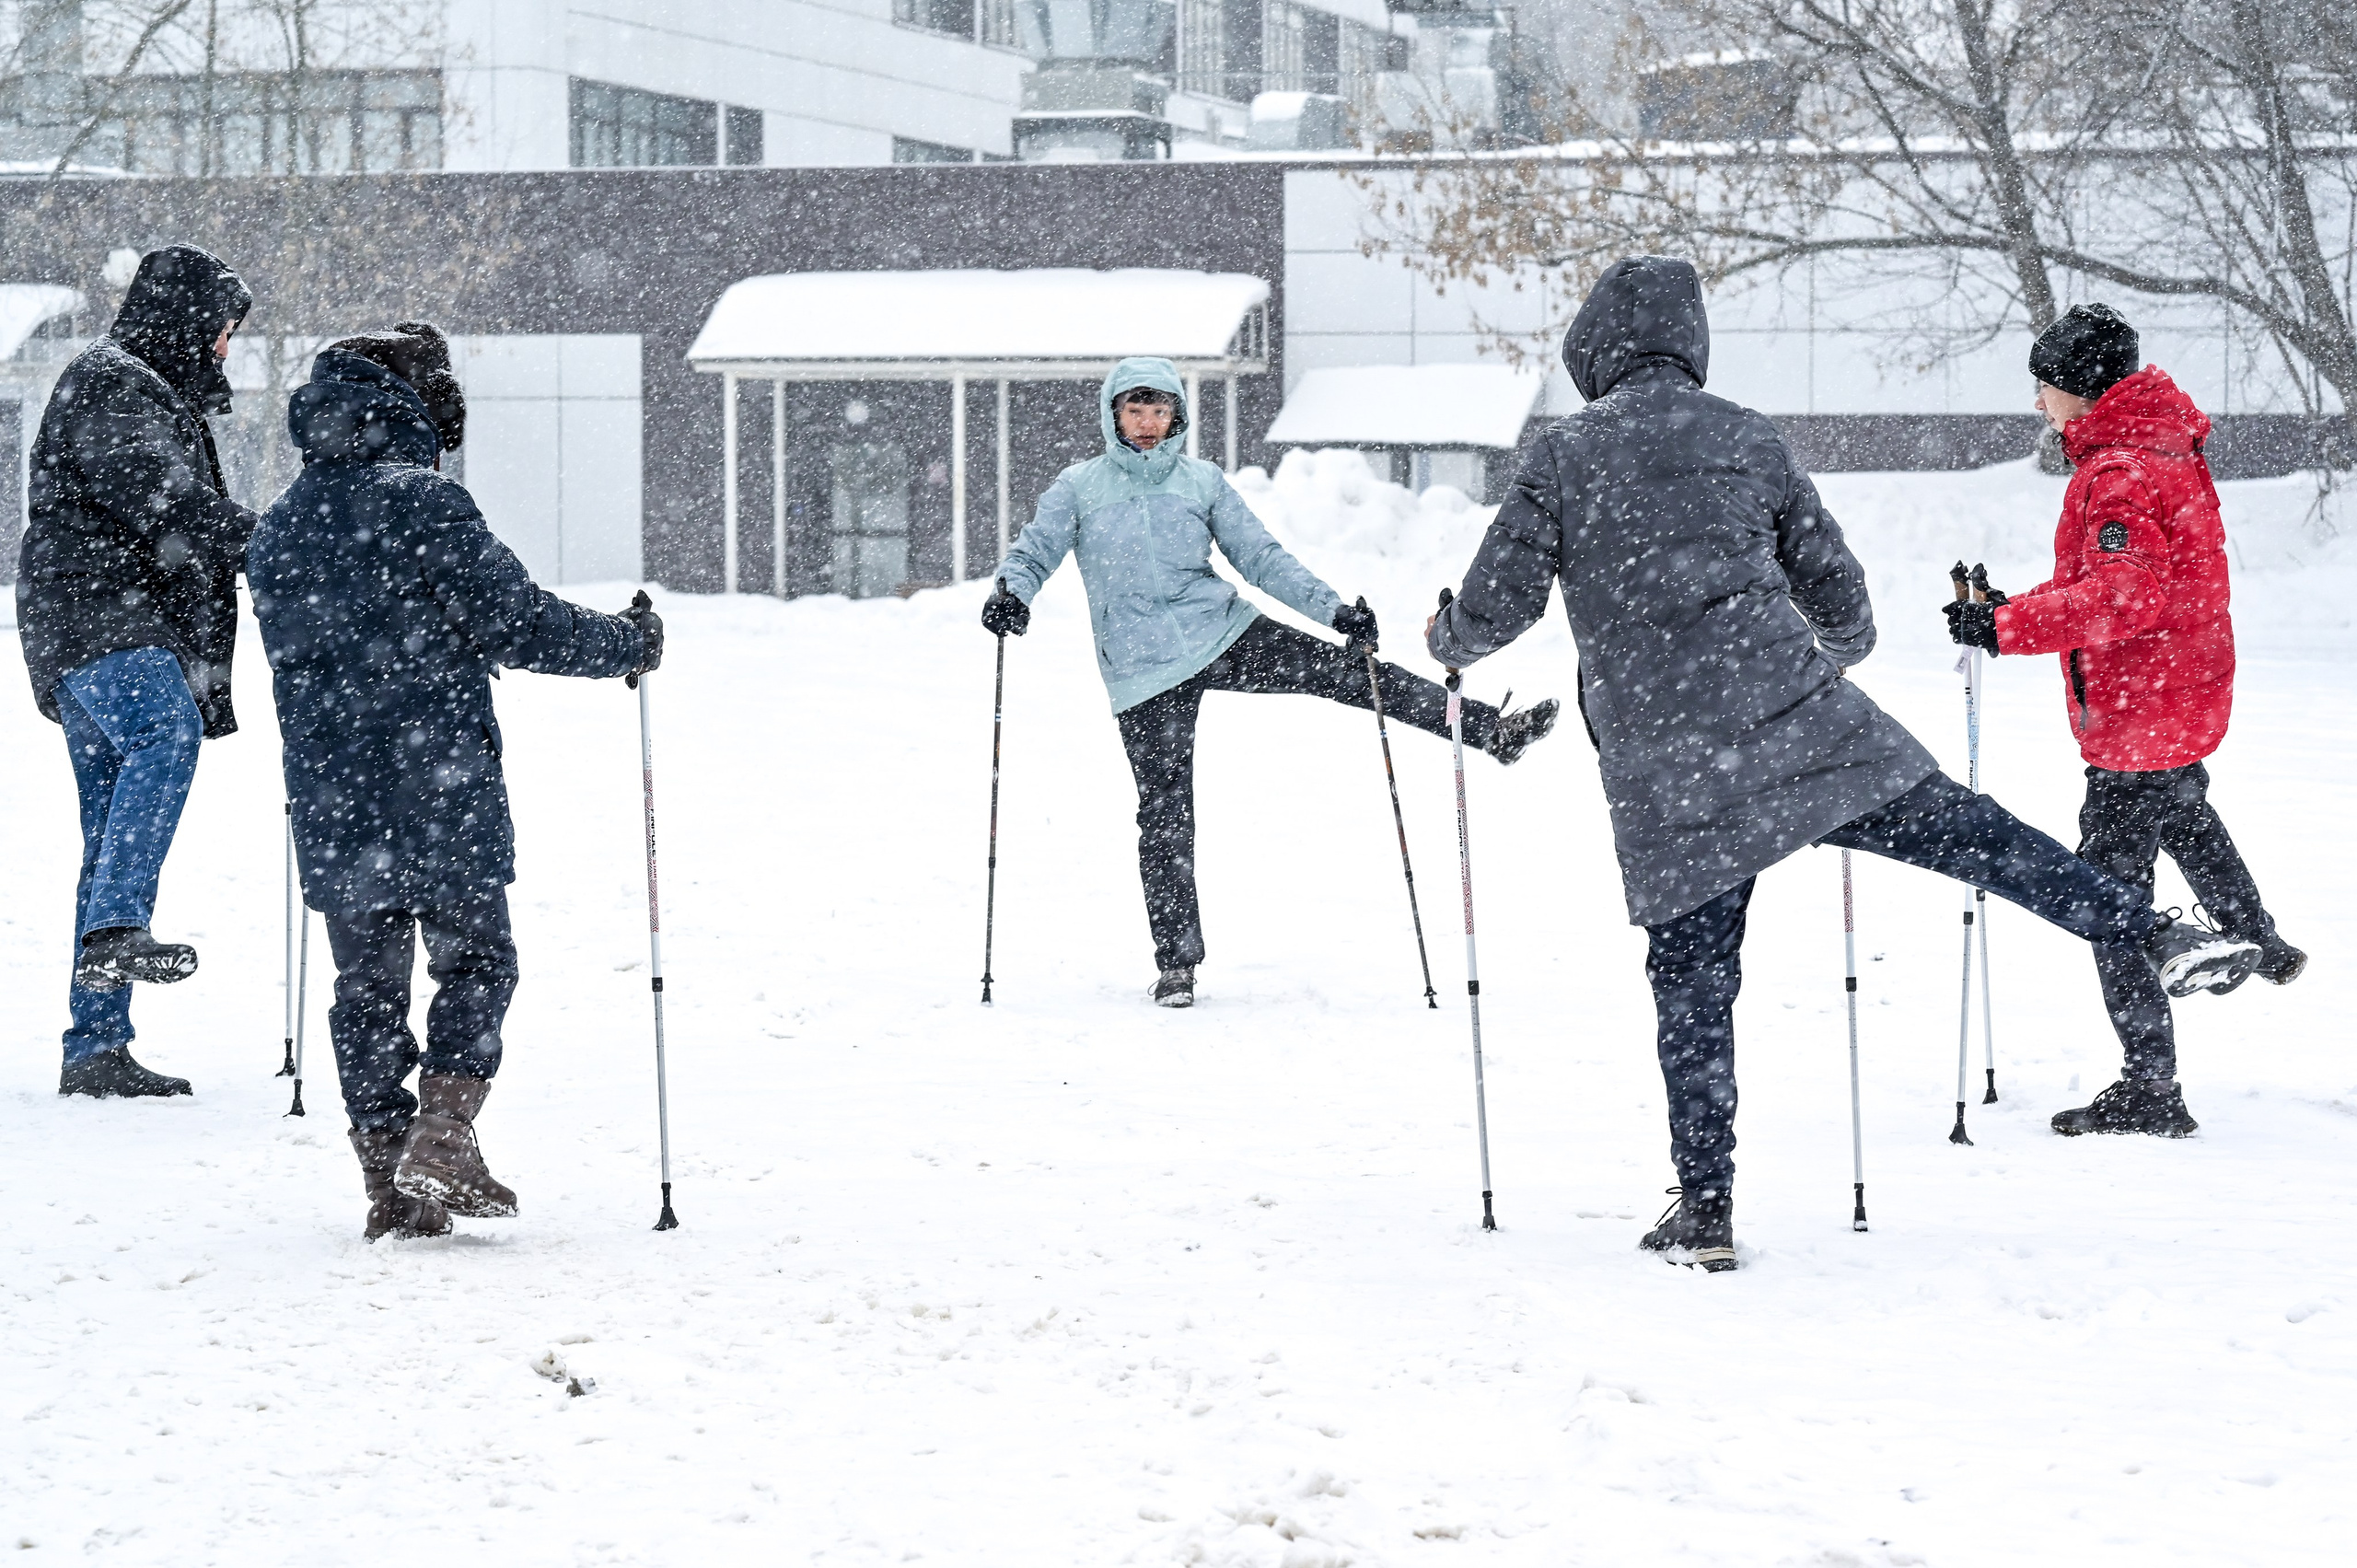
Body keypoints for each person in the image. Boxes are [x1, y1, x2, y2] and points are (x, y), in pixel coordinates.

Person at [1426, 257, 2260, 1272]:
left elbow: (1491, 612)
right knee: (1981, 837)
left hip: (1669, 766)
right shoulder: (1744, 435)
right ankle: (2154, 928)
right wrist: (1821, 660)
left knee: (1693, 980)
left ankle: (1705, 1206)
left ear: (1591, 351)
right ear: (1689, 343)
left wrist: (1449, 639)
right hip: (1804, 727)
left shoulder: (1562, 456)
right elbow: (1842, 600)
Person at [246, 324, 660, 1243]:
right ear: (407, 405)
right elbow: (516, 623)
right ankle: (440, 1133)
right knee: (477, 962)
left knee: (366, 985)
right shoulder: (425, 504)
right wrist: (625, 645)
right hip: (437, 778)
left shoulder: (277, 528)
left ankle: (384, 1166)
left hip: (333, 791)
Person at [983, 356, 1560, 1008]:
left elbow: (1259, 557)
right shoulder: (1080, 487)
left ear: (1178, 416)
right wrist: (1013, 594)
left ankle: (1491, 730)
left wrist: (1333, 609)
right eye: (1135, 411)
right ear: (1113, 415)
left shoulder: (1200, 482)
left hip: (1222, 633)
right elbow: (1035, 550)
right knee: (1165, 814)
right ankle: (1177, 964)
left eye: (1160, 411)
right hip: (1141, 669)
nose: (1147, 425)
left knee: (1358, 675)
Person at [1944, 303, 2303, 1140]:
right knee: (2183, 805)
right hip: (2181, 691)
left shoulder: (2118, 474)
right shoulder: (2162, 451)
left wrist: (2005, 627)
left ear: (2082, 385)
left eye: (2046, 384)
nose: (2039, 401)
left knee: (2105, 898)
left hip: (2139, 707)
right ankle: (2258, 937)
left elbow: (2123, 594)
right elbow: (2125, 580)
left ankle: (2151, 1085)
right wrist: (2016, 607)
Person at [17, 244, 256, 1099]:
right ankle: (119, 928)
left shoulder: (142, 387)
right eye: (222, 330)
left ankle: (96, 1045)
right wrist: (273, 543)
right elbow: (161, 497)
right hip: (98, 615)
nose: (225, 348)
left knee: (108, 825)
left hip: (83, 622)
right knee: (165, 729)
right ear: (187, 320)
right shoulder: (115, 383)